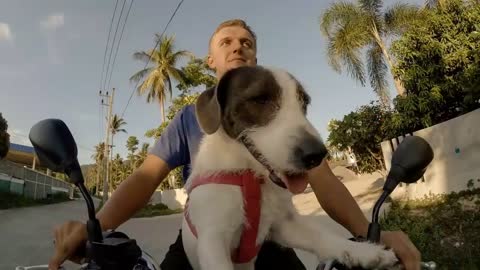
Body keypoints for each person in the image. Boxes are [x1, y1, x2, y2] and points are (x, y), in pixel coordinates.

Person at [49, 19, 421, 270]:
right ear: (211, 59)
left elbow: (321, 178)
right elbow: (145, 179)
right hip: (201, 237)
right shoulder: (190, 119)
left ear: (255, 56)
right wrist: (93, 227)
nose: (237, 47)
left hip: (268, 239)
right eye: (226, 42)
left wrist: (368, 236)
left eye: (246, 43)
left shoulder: (285, 111)